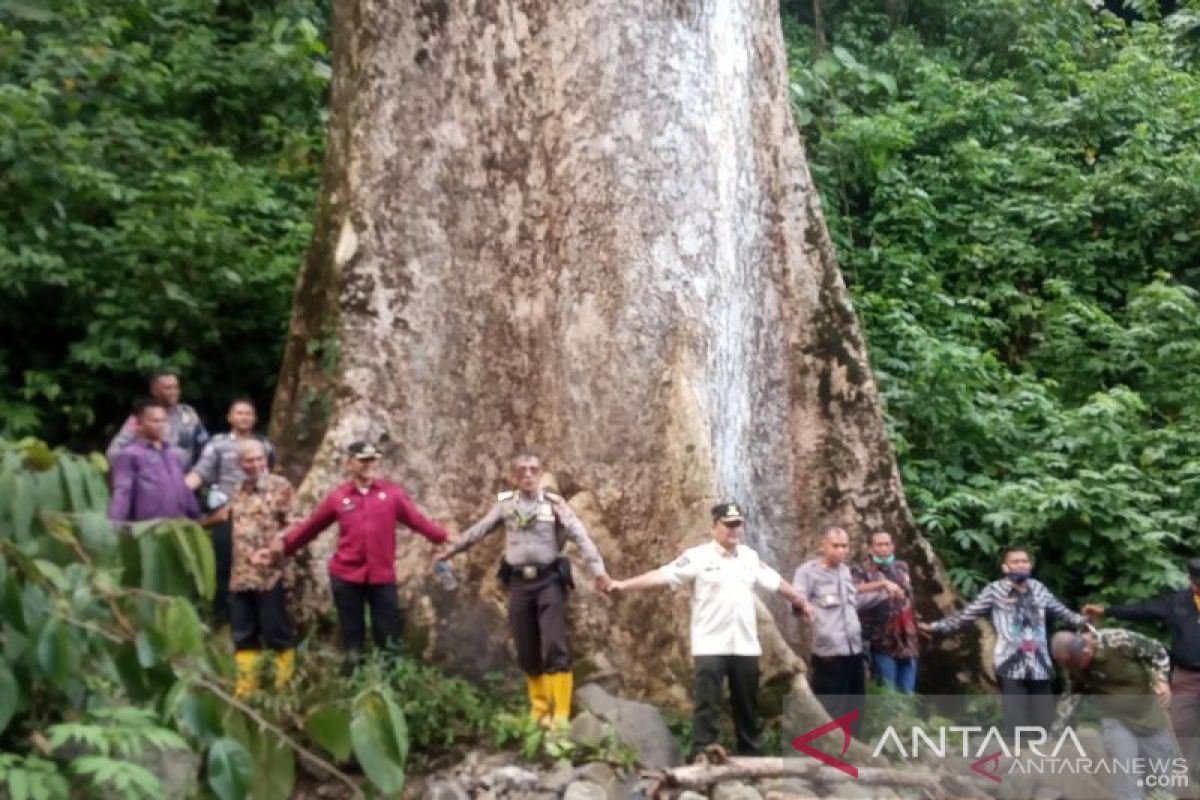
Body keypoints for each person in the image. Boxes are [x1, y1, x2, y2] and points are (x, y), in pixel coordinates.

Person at [610, 502, 813, 759]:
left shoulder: (749, 557)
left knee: (748, 704)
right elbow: (663, 575)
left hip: (745, 644)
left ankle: (752, 755)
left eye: (737, 524)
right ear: (714, 526)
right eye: (728, 525)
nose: (734, 530)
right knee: (707, 704)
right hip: (710, 644)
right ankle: (701, 753)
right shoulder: (698, 556)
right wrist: (623, 585)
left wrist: (799, 600)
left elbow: (775, 581)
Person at [438, 450, 611, 726]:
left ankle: (561, 715)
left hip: (548, 581)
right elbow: (479, 530)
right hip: (519, 583)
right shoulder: (506, 506)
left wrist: (599, 572)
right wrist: (449, 551)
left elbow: (580, 535)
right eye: (522, 471)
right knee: (526, 645)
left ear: (541, 474)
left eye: (533, 470)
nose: (528, 475)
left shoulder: (554, 505)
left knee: (554, 644)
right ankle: (539, 710)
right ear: (514, 477)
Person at [260, 441, 450, 672]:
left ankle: (388, 685)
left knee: (387, 633)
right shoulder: (338, 497)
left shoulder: (391, 494)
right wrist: (283, 547)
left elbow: (417, 521)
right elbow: (311, 527)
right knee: (352, 636)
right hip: (347, 576)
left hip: (381, 576)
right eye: (363, 460)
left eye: (373, 460)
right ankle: (352, 685)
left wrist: (443, 538)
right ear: (349, 463)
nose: (369, 465)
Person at [919, 547, 1087, 737]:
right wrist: (934, 627)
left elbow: (1063, 612)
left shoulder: (1039, 589)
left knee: (1043, 719)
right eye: (1015, 562)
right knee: (1016, 722)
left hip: (1039, 664)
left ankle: (1038, 760)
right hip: (1010, 663)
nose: (1021, 565)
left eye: (1024, 561)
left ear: (1030, 565)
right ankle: (1016, 758)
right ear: (1005, 567)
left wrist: (1086, 622)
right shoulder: (994, 591)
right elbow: (966, 616)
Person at [1083, 557, 1200, 780]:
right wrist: (1107, 611)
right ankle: (1180, 784)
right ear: (1191, 582)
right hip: (1187, 676)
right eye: (1198, 584)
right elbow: (1143, 610)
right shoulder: (1179, 602)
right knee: (1179, 733)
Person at [1051, 628, 1177, 800]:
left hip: (1149, 716)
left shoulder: (1116, 641)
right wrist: (1055, 737)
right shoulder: (1076, 666)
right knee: (1126, 768)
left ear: (1086, 647)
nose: (1077, 669)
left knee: (1162, 778)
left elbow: (1156, 649)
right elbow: (1071, 700)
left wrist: (1162, 679)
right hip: (1116, 719)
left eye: (1078, 663)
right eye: (1072, 666)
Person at [186, 397, 277, 623]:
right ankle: (221, 616)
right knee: (225, 563)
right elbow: (201, 472)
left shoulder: (264, 445)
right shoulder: (217, 444)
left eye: (248, 413)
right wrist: (178, 490)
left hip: (258, 514)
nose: (244, 417)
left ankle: (255, 617)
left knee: (260, 563)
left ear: (255, 418)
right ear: (229, 417)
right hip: (226, 512)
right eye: (239, 413)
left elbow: (271, 476)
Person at [794, 526, 887, 735]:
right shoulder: (808, 572)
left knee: (855, 706)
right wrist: (803, 606)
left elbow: (852, 603)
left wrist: (882, 593)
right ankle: (827, 753)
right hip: (829, 653)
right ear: (823, 546)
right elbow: (797, 599)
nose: (841, 550)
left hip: (853, 651)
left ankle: (852, 751)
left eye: (844, 546)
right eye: (835, 546)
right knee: (831, 707)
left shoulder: (845, 572)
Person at [226, 440, 295, 698]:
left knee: (275, 630)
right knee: (243, 632)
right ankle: (246, 688)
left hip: (270, 574)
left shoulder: (280, 486)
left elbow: (295, 524)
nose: (255, 465)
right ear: (240, 464)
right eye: (248, 461)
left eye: (259, 459)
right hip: (241, 574)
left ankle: (282, 688)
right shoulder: (238, 490)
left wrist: (273, 548)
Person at [108, 398, 200, 523]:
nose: (161, 425)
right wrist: (115, 525)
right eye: (155, 421)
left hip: (179, 525)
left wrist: (195, 516)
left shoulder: (172, 454)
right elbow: (122, 493)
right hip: (148, 527)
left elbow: (183, 488)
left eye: (163, 420)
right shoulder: (130, 455)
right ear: (139, 424)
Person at [852, 530, 919, 693]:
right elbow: (852, 590)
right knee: (887, 694)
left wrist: (917, 622)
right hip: (881, 640)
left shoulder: (901, 567)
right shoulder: (861, 570)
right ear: (870, 548)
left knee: (907, 693)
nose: (884, 548)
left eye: (887, 544)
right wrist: (881, 585)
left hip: (907, 639)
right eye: (879, 545)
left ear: (893, 547)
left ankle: (906, 719)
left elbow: (908, 598)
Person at [107, 370, 209, 470]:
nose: (174, 392)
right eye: (168, 388)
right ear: (154, 391)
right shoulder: (141, 417)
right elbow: (114, 452)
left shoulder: (189, 414)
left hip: (186, 479)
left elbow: (205, 447)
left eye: (176, 387)